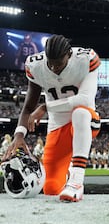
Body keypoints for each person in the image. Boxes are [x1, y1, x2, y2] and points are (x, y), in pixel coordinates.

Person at [1, 34, 101, 202]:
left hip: (87, 121)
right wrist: (19, 135)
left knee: (80, 113)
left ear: (68, 55)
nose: (54, 69)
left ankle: (76, 181)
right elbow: (27, 108)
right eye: (50, 63)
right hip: (57, 126)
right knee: (51, 188)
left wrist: (46, 107)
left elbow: (84, 99)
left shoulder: (86, 58)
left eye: (59, 64)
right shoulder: (35, 66)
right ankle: (67, 173)